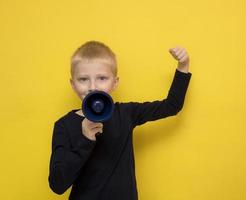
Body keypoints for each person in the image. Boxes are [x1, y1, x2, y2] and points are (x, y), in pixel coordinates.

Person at [48, 41, 192, 200]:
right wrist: (85, 140)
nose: (93, 86)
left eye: (102, 78)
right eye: (83, 79)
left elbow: (171, 106)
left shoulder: (126, 113)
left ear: (115, 83)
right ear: (73, 84)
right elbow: (57, 184)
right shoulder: (63, 125)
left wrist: (183, 66)